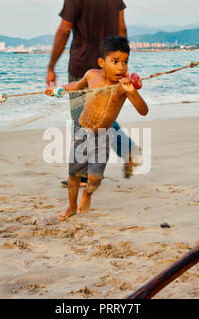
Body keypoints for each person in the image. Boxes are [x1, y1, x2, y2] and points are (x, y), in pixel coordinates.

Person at [46, 36, 148, 221]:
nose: (121, 67)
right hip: (82, 132)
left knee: (95, 178)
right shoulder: (92, 75)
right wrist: (59, 89)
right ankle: (71, 206)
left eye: (125, 62)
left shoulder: (124, 86)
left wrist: (133, 91)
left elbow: (143, 111)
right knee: (73, 175)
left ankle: (88, 195)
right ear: (102, 62)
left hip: (102, 136)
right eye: (115, 61)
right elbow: (76, 87)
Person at [46, 0, 139, 186]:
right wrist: (122, 63)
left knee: (83, 119)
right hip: (108, 68)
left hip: (82, 67)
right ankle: (127, 149)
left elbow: (64, 30)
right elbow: (122, 28)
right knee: (103, 113)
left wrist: (51, 66)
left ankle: (83, 174)